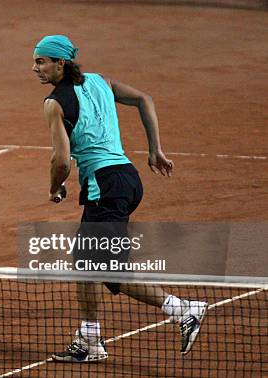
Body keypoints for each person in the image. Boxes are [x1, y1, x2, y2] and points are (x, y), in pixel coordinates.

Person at [32, 35, 207, 362]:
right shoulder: (101, 82)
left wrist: (55, 189)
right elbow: (144, 99)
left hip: (106, 187)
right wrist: (155, 149)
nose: (35, 68)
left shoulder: (55, 103)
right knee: (86, 264)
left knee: (106, 270)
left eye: (42, 61)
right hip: (126, 179)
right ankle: (89, 340)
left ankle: (183, 310)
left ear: (61, 63)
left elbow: (60, 160)